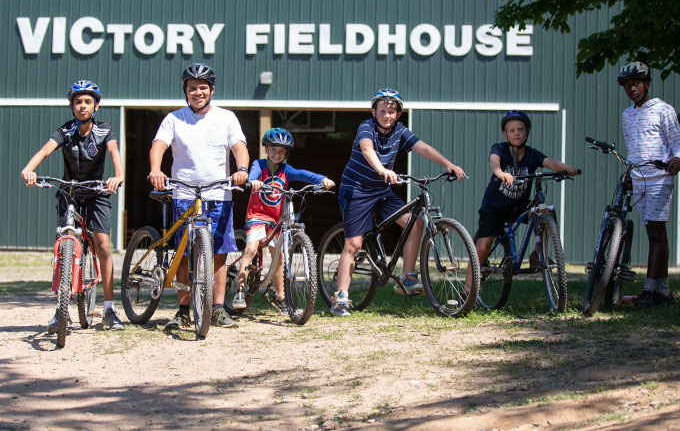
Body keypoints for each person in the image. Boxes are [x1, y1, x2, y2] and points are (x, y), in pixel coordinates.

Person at [331, 88, 467, 316]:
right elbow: (367, 149)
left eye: (391, 112)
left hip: (382, 190)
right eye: (382, 111)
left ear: (398, 115)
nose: (387, 116)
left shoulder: (399, 131)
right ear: (374, 111)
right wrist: (381, 168)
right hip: (357, 190)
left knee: (415, 223)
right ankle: (341, 298)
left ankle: (408, 276)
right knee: (354, 245)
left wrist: (447, 163)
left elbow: (422, 147)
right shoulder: (366, 127)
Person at [148, 62, 249, 329]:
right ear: (186, 91)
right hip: (184, 193)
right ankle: (183, 310)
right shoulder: (174, 118)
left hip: (219, 193)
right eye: (192, 88)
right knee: (182, 255)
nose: (197, 92)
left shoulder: (226, 118)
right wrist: (156, 169)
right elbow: (159, 145)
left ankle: (216, 309)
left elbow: (239, 146)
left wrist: (242, 169)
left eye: (202, 87)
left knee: (218, 255)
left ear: (211, 90)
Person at [21, 80, 125, 330]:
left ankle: (109, 310)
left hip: (97, 191)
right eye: (78, 101)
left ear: (96, 105)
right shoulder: (65, 131)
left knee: (102, 246)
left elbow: (114, 153)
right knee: (63, 246)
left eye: (87, 101)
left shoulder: (104, 130)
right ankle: (61, 310)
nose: (82, 105)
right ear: (72, 106)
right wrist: (29, 169)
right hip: (70, 192)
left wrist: (118, 175)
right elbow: (45, 151)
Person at [232, 127, 335, 313]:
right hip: (257, 215)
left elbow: (304, 174)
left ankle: (281, 297)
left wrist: (323, 179)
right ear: (267, 150)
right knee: (251, 248)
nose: (277, 154)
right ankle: (239, 290)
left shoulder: (286, 170)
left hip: (275, 219)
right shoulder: (259, 165)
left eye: (281, 151)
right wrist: (254, 181)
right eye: (273, 150)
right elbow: (252, 174)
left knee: (278, 255)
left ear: (286, 153)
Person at [474, 111, 579, 273]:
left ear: (527, 132)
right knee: (482, 248)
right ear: (505, 134)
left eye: (520, 129)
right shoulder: (500, 148)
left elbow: (552, 163)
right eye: (512, 130)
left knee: (545, 211)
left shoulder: (532, 154)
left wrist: (567, 169)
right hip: (495, 206)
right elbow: (494, 161)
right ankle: (467, 290)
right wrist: (500, 173)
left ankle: (538, 254)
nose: (517, 133)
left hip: (519, 205)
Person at [618, 61, 680, 307]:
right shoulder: (627, 115)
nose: (632, 89)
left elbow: (676, 141)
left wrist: (676, 159)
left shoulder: (663, 110)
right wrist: (628, 171)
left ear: (647, 84)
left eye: (636, 84)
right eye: (627, 85)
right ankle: (663, 291)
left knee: (656, 231)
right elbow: (632, 148)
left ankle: (649, 288)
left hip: (659, 175)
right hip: (638, 177)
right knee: (653, 232)